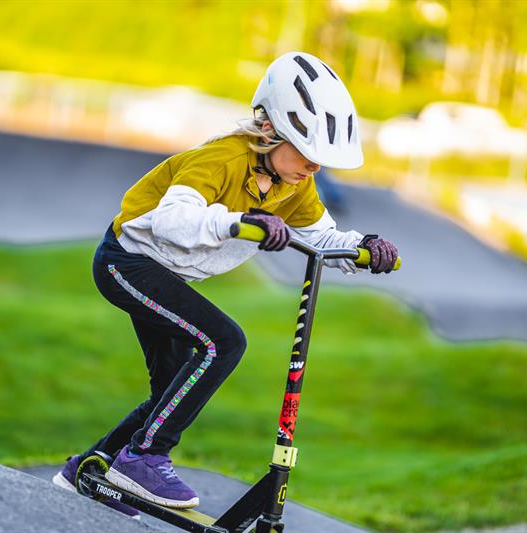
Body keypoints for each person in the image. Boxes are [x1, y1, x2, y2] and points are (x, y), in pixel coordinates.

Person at [52, 52, 398, 519]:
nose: (314, 169)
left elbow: (320, 236)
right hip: (127, 262)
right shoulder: (222, 157)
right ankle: (143, 460)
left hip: (164, 272)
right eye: (308, 153)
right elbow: (175, 219)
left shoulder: (293, 183)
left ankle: (89, 470)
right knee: (224, 341)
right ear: (271, 130)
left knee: (169, 394)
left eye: (322, 161)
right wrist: (239, 222)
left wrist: (365, 245)